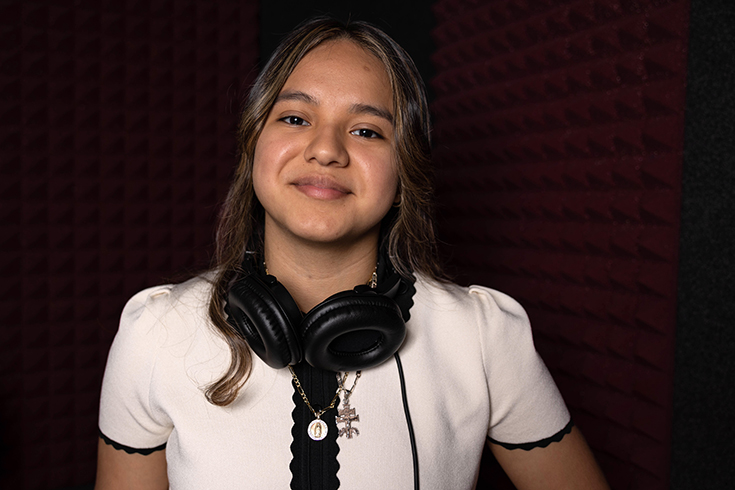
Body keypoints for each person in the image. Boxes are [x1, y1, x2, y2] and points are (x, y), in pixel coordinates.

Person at [95, 17, 610, 490]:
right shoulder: (155, 333)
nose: (326, 149)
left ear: (404, 168)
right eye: (295, 118)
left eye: (366, 130)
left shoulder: (482, 336)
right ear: (253, 144)